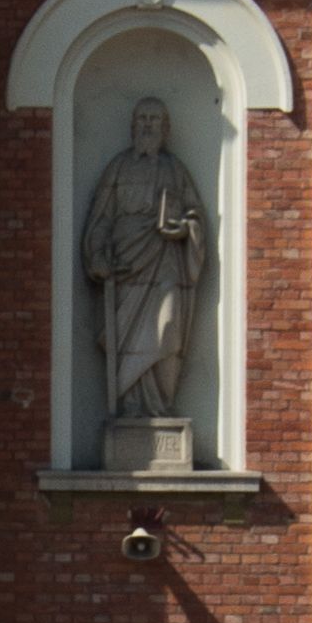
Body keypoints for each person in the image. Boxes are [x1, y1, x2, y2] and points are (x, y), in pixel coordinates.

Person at [81, 96, 207, 420]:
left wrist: (185, 229)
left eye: (154, 119)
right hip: (125, 266)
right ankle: (132, 408)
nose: (148, 125)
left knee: (168, 328)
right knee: (125, 342)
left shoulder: (175, 170)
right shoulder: (118, 168)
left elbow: (195, 215)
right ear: (132, 126)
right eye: (142, 119)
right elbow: (101, 220)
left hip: (165, 261)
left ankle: (161, 406)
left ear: (166, 129)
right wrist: (98, 257)